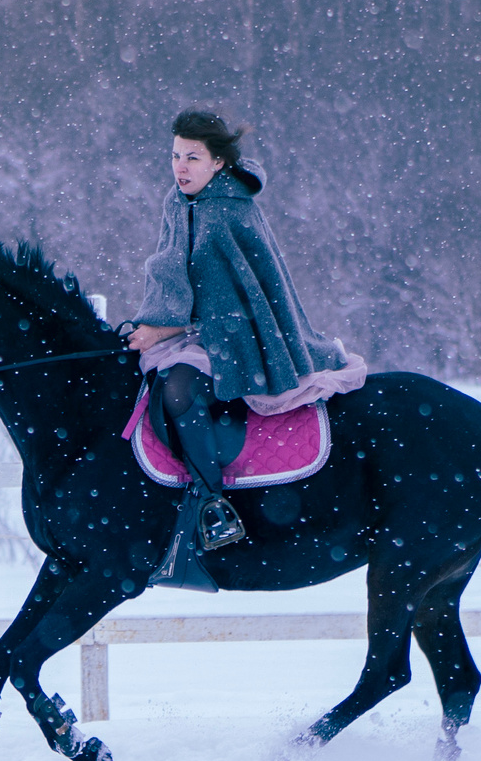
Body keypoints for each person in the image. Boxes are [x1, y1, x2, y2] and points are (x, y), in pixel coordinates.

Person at [125, 109, 366, 587]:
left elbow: (242, 292)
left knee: (178, 388)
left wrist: (167, 329)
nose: (181, 166)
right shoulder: (179, 202)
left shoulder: (229, 209)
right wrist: (154, 324)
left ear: (217, 163)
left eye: (193, 157)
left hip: (237, 335)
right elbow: (172, 274)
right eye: (176, 156)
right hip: (193, 332)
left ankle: (212, 502)